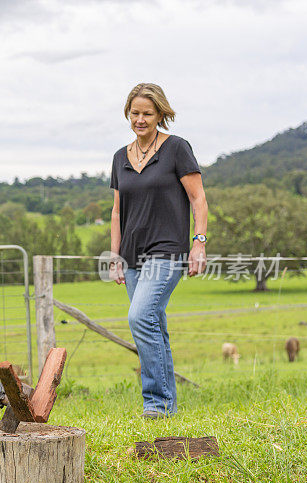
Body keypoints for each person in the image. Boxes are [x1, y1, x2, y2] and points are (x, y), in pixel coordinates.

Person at [108, 83, 208, 419]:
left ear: (160, 114)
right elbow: (118, 211)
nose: (140, 119)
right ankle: (165, 404)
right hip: (132, 253)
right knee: (153, 323)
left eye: (147, 113)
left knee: (139, 316)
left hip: (167, 250)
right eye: (134, 113)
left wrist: (199, 243)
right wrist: (114, 255)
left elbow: (198, 198)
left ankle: (157, 403)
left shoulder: (177, 148)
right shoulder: (121, 157)